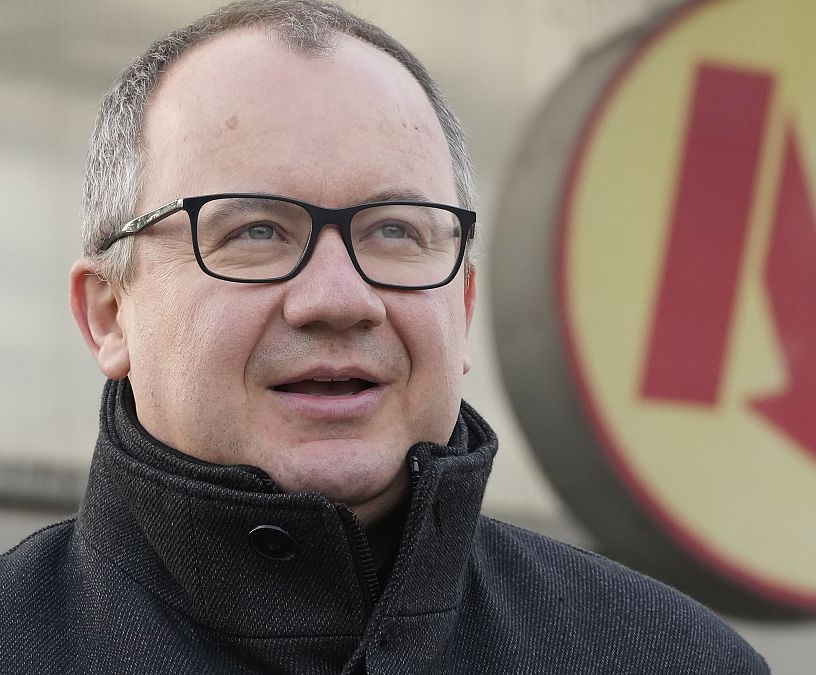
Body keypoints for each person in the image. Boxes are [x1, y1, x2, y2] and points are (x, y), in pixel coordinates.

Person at [0, 1, 769, 673]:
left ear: (462, 306)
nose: (341, 298)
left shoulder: (669, 658)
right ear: (107, 313)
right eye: (257, 229)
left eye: (396, 230)